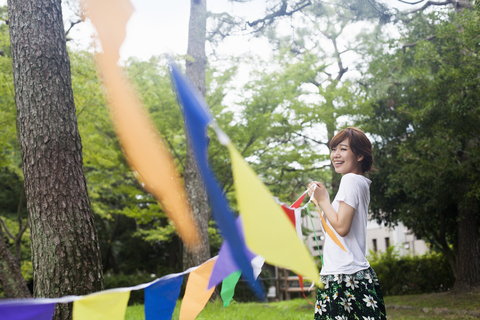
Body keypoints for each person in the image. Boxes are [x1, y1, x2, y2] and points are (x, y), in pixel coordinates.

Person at [308, 127, 387, 320]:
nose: (336, 155)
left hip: (344, 277)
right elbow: (335, 228)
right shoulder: (357, 181)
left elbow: (341, 228)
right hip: (347, 273)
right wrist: (323, 199)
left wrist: (324, 201)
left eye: (343, 149)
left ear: (360, 155)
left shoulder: (350, 181)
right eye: (333, 149)